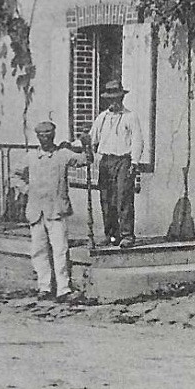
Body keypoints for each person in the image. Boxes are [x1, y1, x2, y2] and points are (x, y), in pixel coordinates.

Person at [19, 121, 90, 301]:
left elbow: (85, 161)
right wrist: (26, 189)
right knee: (38, 250)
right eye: (42, 136)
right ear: (38, 137)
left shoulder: (63, 155)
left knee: (60, 250)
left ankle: (63, 288)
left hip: (56, 210)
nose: (46, 139)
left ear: (54, 135)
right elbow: (15, 175)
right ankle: (44, 286)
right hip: (36, 210)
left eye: (49, 135)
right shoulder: (30, 157)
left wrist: (87, 144)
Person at [88, 80, 146, 247]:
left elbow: (137, 140)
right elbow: (92, 138)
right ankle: (111, 235)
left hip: (123, 161)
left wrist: (134, 162)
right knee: (107, 199)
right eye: (110, 99)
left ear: (122, 98)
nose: (113, 102)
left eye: (117, 98)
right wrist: (77, 145)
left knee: (123, 198)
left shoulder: (130, 116)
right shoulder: (102, 118)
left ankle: (127, 234)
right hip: (106, 161)